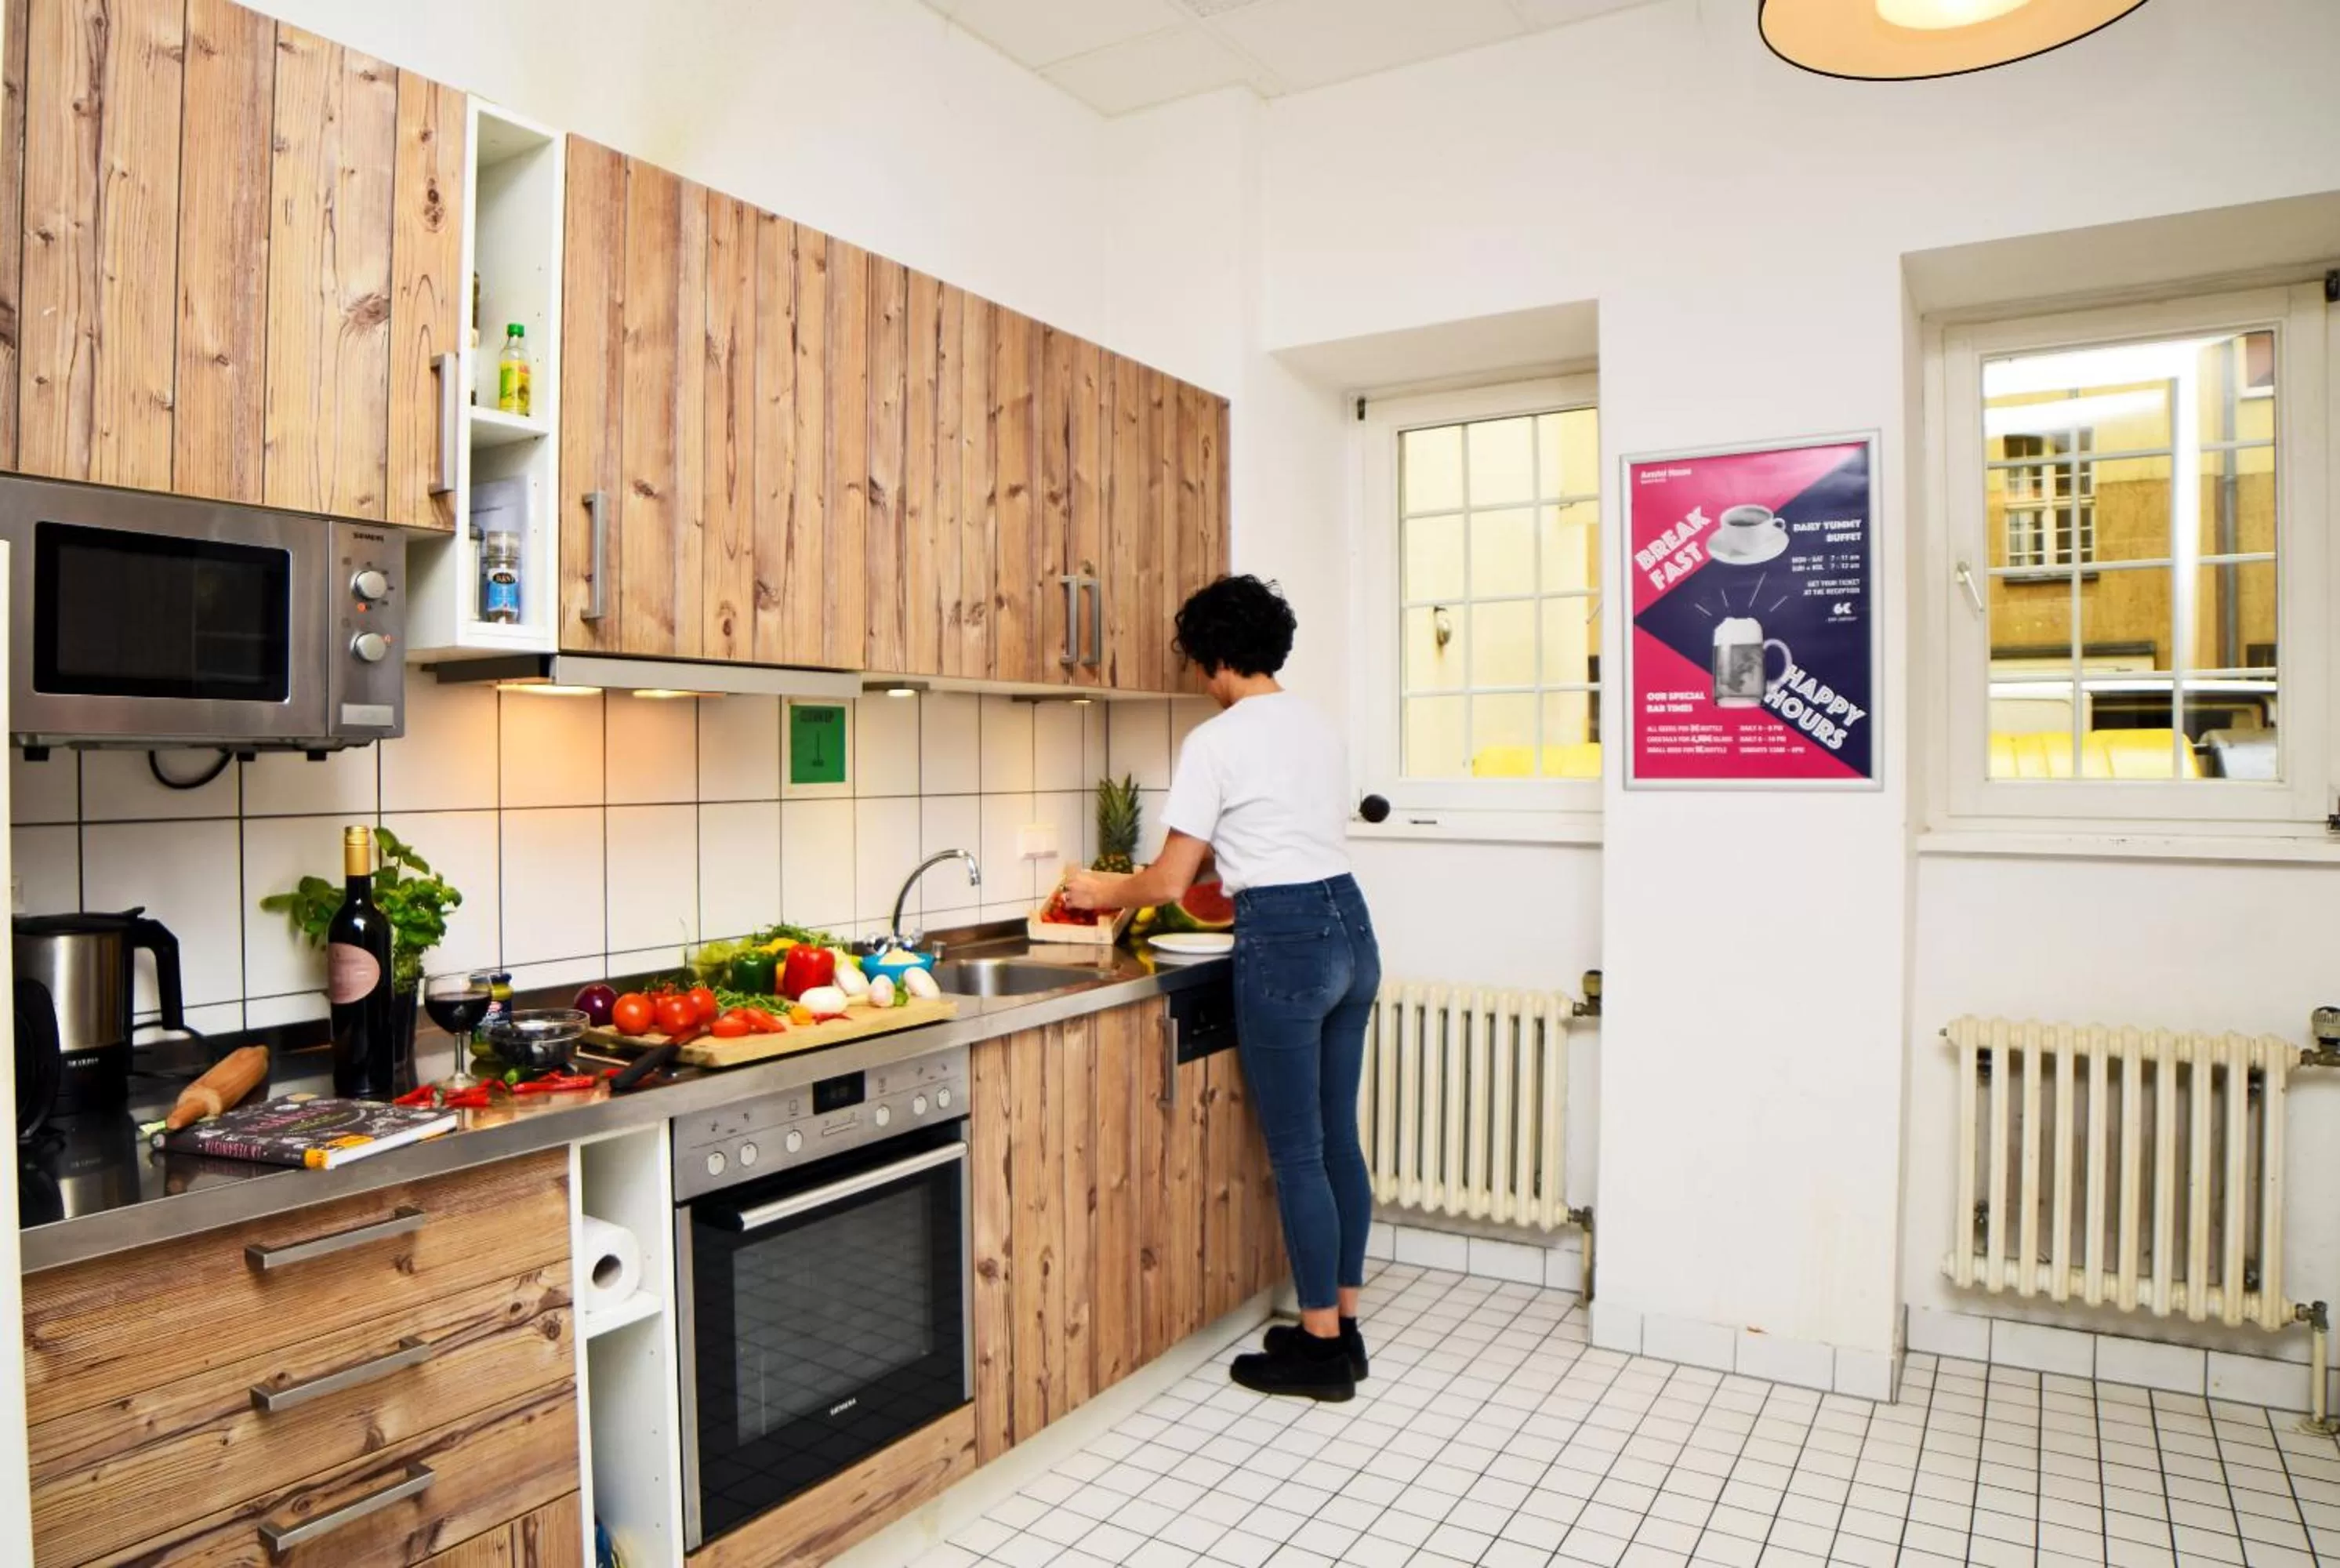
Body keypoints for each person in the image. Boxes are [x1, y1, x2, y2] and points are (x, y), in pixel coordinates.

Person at [1064, 575, 1379, 1402]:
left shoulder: (1219, 738)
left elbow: (1170, 877)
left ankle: (1316, 1354)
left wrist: (1101, 892)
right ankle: (1341, 1326)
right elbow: (1252, 836)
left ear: (1212, 657)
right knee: (1337, 1137)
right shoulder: (1316, 725)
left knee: (1300, 1151)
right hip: (1351, 923)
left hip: (1284, 938)